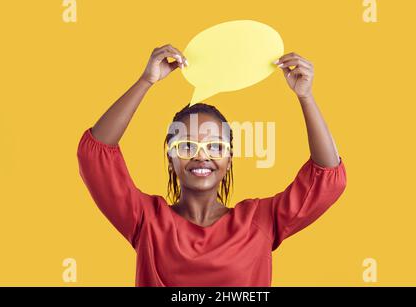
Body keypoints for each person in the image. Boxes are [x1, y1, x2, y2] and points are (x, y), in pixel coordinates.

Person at [77, 44, 347, 286]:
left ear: (229, 159)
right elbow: (94, 156)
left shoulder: (260, 221)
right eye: (187, 146)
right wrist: (146, 81)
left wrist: (306, 97)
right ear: (170, 157)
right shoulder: (147, 221)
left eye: (215, 146)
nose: (201, 156)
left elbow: (327, 180)